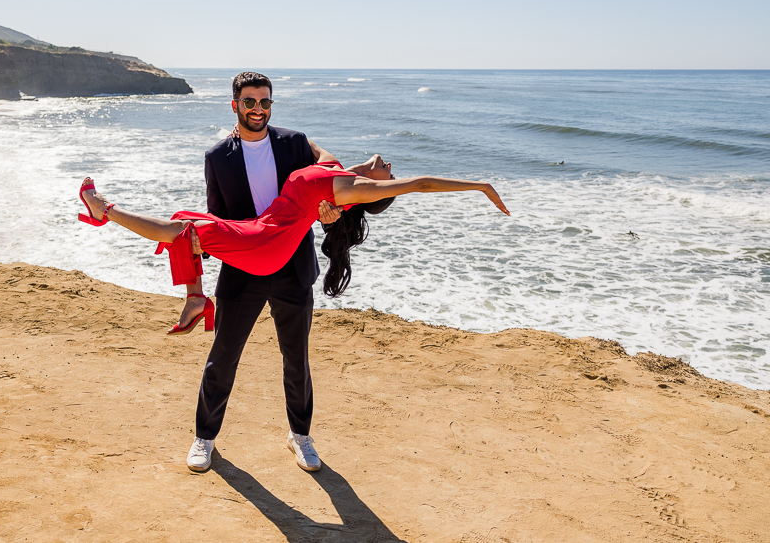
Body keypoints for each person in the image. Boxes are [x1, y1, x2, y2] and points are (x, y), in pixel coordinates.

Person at [78, 73, 510, 474]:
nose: (259, 108)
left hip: (283, 258)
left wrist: (478, 186)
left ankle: (299, 436)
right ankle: (204, 437)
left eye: (265, 101)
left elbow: (414, 185)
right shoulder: (228, 157)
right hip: (247, 255)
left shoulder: (306, 154)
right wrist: (332, 206)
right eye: (251, 101)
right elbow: (326, 166)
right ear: (236, 105)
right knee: (221, 352)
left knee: (295, 358)